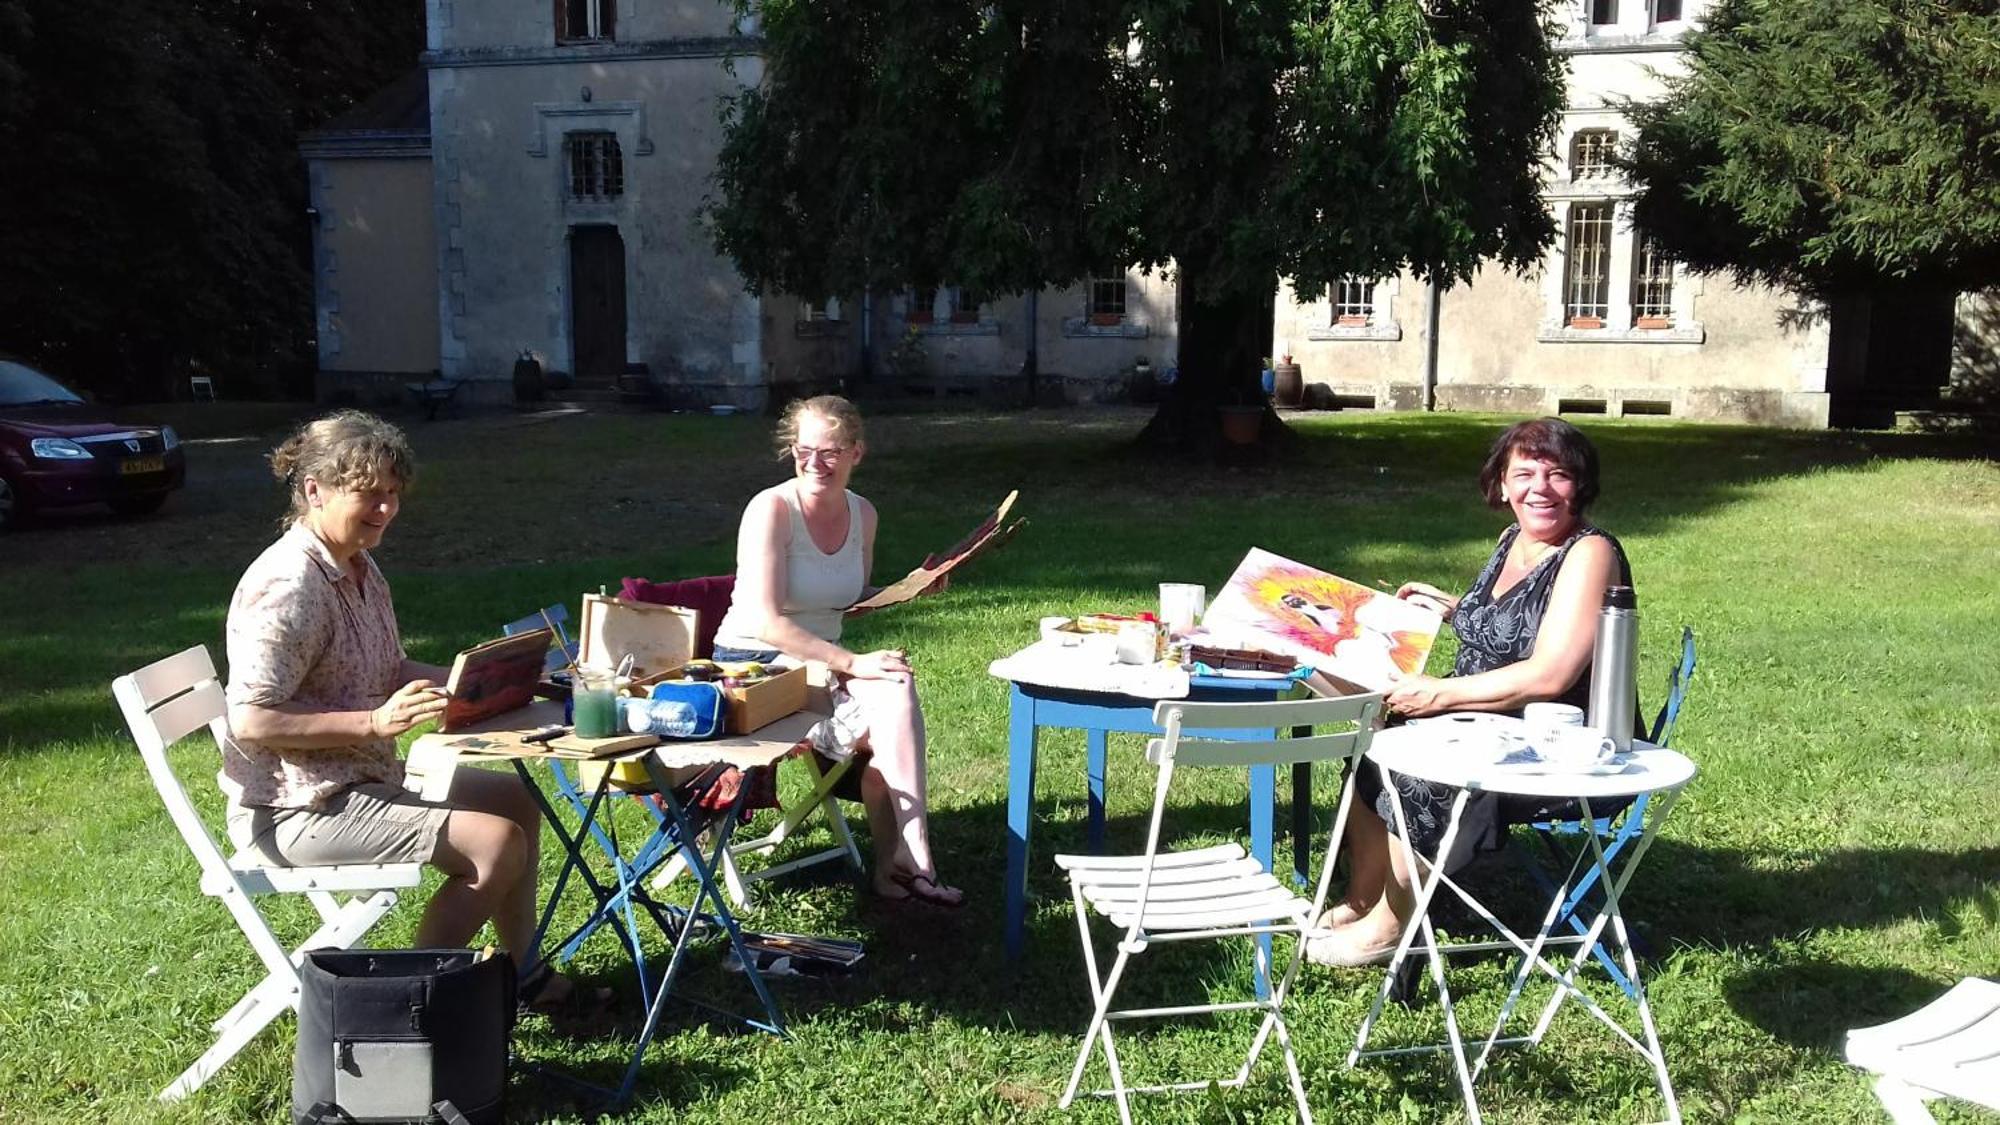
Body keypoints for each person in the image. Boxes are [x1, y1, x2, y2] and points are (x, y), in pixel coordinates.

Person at [222, 411, 598, 1011]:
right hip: (296, 809)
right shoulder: (290, 584)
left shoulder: (357, 564)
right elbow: (253, 719)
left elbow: (386, 669)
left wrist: (486, 679)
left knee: (515, 801)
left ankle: (521, 973)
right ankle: (413, 1007)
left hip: (363, 780)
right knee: (494, 843)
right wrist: (373, 723)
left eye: (393, 494)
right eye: (369, 493)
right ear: (313, 490)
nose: (386, 509)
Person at [1308, 417, 1633, 967]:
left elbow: (1549, 675)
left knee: (1420, 771)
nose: (1540, 489)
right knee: (1375, 745)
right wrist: (1455, 610)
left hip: (1554, 747)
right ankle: (1363, 897)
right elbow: (1517, 624)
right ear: (1502, 484)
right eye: (1524, 473)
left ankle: (1392, 925)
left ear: (1581, 484)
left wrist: (1439, 696)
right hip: (1482, 721)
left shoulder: (1589, 552)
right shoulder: (1515, 539)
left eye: (1558, 475)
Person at [709, 395, 963, 908]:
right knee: (888, 694)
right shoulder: (771, 509)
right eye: (804, 450)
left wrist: (910, 587)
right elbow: (766, 621)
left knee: (893, 687)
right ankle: (910, 858)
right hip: (752, 667)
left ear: (856, 454)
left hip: (817, 662)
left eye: (830, 451)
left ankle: (904, 860)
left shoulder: (863, 514)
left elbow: (849, 596)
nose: (814, 463)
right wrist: (849, 663)